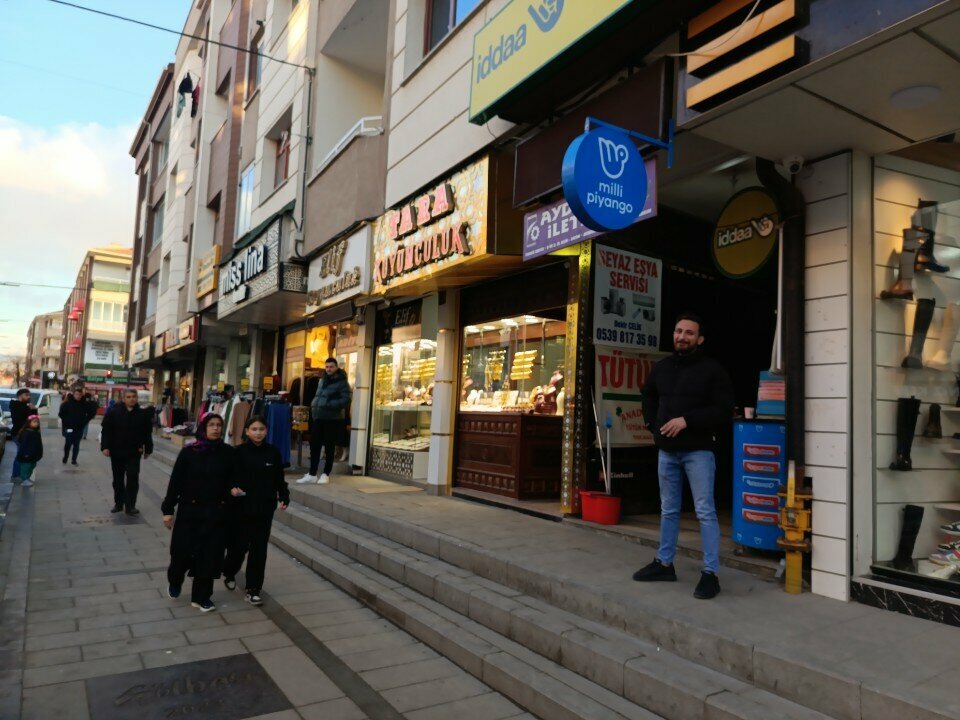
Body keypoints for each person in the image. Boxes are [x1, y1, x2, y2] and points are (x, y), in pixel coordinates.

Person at [633, 313, 735, 600]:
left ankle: (710, 573)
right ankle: (665, 564)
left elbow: (724, 409)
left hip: (699, 451)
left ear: (700, 339)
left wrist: (686, 420)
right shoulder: (662, 368)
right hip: (667, 451)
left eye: (689, 333)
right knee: (668, 509)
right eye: (679, 331)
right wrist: (653, 426)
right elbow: (648, 396)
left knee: (704, 511)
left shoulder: (713, 371)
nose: (682, 336)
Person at [161, 414, 234, 612]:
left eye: (219, 425)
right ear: (203, 427)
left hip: (215, 513)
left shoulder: (228, 453)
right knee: (181, 555)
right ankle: (175, 580)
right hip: (190, 512)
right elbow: (175, 482)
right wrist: (168, 510)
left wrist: (232, 494)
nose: (216, 428)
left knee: (209, 556)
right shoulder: (189, 452)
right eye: (211, 425)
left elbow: (232, 481)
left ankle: (201, 597)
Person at [222, 415, 289, 606]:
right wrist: (232, 488)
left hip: (264, 509)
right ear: (246, 431)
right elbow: (228, 478)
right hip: (241, 509)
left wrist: (284, 496)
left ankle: (253, 589)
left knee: (259, 550)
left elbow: (279, 480)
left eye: (261, 429)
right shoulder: (238, 452)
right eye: (254, 429)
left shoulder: (273, 453)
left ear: (266, 431)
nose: (258, 433)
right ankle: (228, 571)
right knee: (239, 548)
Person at [297, 358, 352, 485]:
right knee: (314, 445)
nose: (328, 369)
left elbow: (346, 399)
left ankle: (326, 474)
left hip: (332, 419)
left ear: (337, 367)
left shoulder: (342, 382)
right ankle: (312, 474)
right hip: (318, 417)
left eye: (331, 367)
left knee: (329, 447)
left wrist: (329, 404)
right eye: (327, 367)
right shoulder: (322, 380)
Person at [101, 388, 153, 516]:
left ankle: (130, 506)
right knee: (118, 480)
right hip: (117, 451)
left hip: (134, 452)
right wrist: (105, 447)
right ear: (124, 399)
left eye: (133, 397)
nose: (131, 399)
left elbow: (147, 433)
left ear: (137, 398)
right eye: (128, 397)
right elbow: (106, 431)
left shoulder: (142, 414)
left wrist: (148, 449)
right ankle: (118, 503)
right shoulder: (114, 413)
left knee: (132, 478)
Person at [9, 388, 35, 481]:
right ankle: (16, 475)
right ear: (20, 396)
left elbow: (34, 420)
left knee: (23, 454)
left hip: (27, 434)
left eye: (29, 395)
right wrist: (30, 410)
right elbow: (19, 420)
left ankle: (20, 475)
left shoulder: (26, 406)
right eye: (26, 395)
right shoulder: (16, 406)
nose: (29, 397)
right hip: (19, 434)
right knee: (21, 454)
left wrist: (33, 410)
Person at [58, 387, 89, 465]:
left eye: (80, 395)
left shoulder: (84, 404)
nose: (78, 396)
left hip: (79, 428)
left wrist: (84, 422)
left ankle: (74, 460)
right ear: (73, 394)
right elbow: (61, 414)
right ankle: (66, 456)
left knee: (76, 444)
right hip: (69, 427)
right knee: (68, 443)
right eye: (76, 394)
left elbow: (87, 415)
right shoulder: (67, 403)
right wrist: (67, 422)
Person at [16, 415, 43, 488]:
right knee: (25, 467)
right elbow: (24, 444)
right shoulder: (26, 432)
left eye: (37, 422)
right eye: (34, 422)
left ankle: (27, 478)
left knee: (32, 466)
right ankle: (24, 479)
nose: (36, 424)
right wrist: (25, 453)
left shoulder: (35, 431)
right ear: (29, 423)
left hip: (33, 454)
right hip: (26, 454)